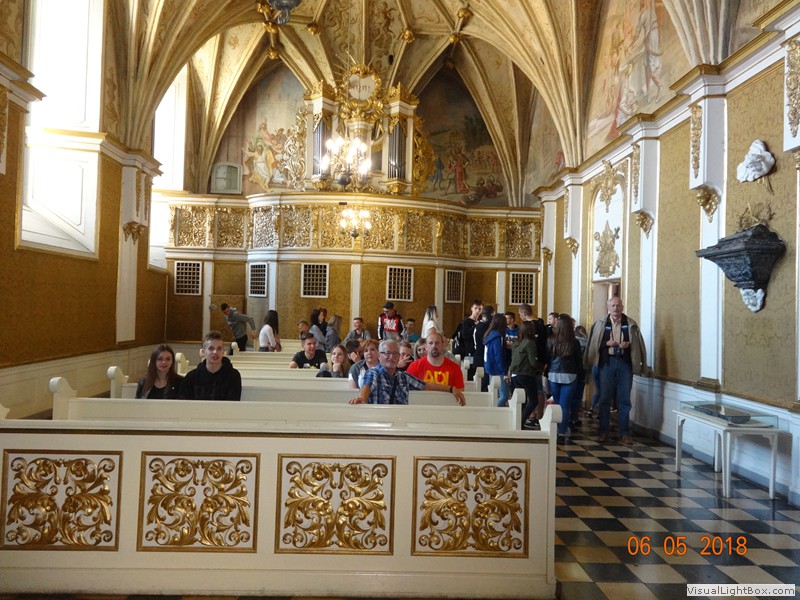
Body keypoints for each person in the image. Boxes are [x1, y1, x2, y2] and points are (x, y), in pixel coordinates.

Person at [584, 296, 647, 445]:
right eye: (612, 305)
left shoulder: (630, 324)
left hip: (625, 364)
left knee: (625, 399)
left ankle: (624, 433)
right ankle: (603, 432)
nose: (615, 308)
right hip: (607, 364)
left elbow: (639, 345)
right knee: (604, 398)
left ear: (622, 307)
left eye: (618, 305)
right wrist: (606, 343)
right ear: (608, 307)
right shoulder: (600, 324)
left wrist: (628, 345)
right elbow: (593, 344)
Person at [349, 340, 465, 405]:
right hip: (380, 425)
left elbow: (426, 385)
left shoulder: (403, 377)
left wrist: (451, 388)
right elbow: (367, 385)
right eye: (387, 353)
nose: (391, 357)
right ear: (379, 356)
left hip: (400, 423)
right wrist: (362, 399)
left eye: (395, 354)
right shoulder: (373, 373)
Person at [547, 315, 584, 443]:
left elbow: (548, 358)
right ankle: (562, 433)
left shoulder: (551, 339)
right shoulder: (574, 342)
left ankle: (556, 430)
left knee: (557, 404)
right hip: (570, 375)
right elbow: (578, 361)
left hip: (554, 374)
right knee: (565, 405)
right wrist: (581, 376)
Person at [179, 331, 242, 400]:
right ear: (203, 352)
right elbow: (185, 403)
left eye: (219, 348)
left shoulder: (233, 375)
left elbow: (233, 403)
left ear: (223, 352)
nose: (215, 352)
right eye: (211, 349)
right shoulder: (191, 377)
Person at [508, 321, 542, 429]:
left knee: (521, 401)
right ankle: (521, 421)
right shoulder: (530, 343)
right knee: (533, 400)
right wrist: (540, 367)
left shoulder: (516, 343)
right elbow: (532, 362)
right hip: (526, 374)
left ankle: (517, 423)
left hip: (515, 375)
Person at [483, 313, 509, 406]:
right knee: (504, 396)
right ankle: (492, 410)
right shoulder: (498, 336)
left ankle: (492, 410)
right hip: (498, 368)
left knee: (493, 393)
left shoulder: (489, 334)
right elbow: (498, 354)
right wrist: (504, 371)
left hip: (490, 366)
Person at [452, 300, 483, 377]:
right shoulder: (466, 322)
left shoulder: (480, 322)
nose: (477, 311)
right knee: (468, 373)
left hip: (476, 351)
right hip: (468, 351)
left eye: (480, 309)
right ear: (472, 308)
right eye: (476, 308)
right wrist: (475, 326)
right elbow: (465, 335)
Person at [473, 305, 494, 391]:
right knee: (483, 385)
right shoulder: (482, 327)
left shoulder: (481, 326)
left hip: (480, 356)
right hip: (481, 357)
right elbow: (484, 342)